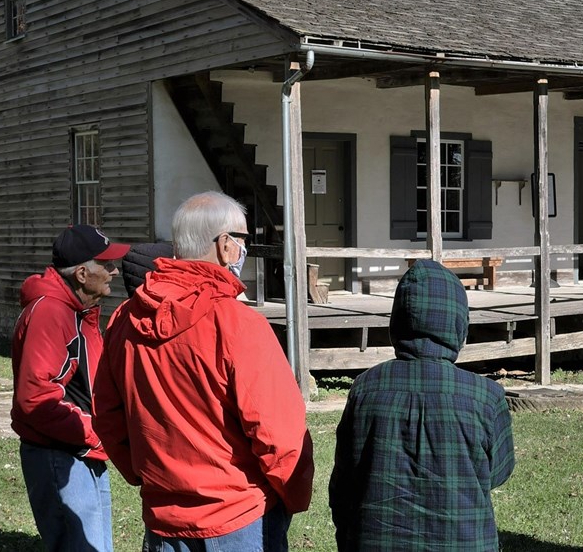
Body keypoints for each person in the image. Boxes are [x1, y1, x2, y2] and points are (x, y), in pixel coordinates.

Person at [93, 191, 313, 552]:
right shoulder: (239, 324)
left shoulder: (123, 320)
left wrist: (142, 474)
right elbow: (281, 435)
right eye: (243, 241)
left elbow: (108, 418)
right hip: (238, 518)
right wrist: (296, 496)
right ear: (226, 246)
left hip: (166, 515)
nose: (244, 251)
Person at [329, 259, 515, 552]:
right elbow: (498, 472)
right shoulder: (485, 396)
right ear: (458, 321)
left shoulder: (366, 388)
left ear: (398, 318)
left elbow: (345, 478)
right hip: (463, 542)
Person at [11, 223, 129, 552]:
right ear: (81, 273)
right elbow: (36, 399)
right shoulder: (51, 313)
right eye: (106, 265)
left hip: (81, 450)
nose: (114, 271)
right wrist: (97, 432)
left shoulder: (81, 312)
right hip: (60, 456)